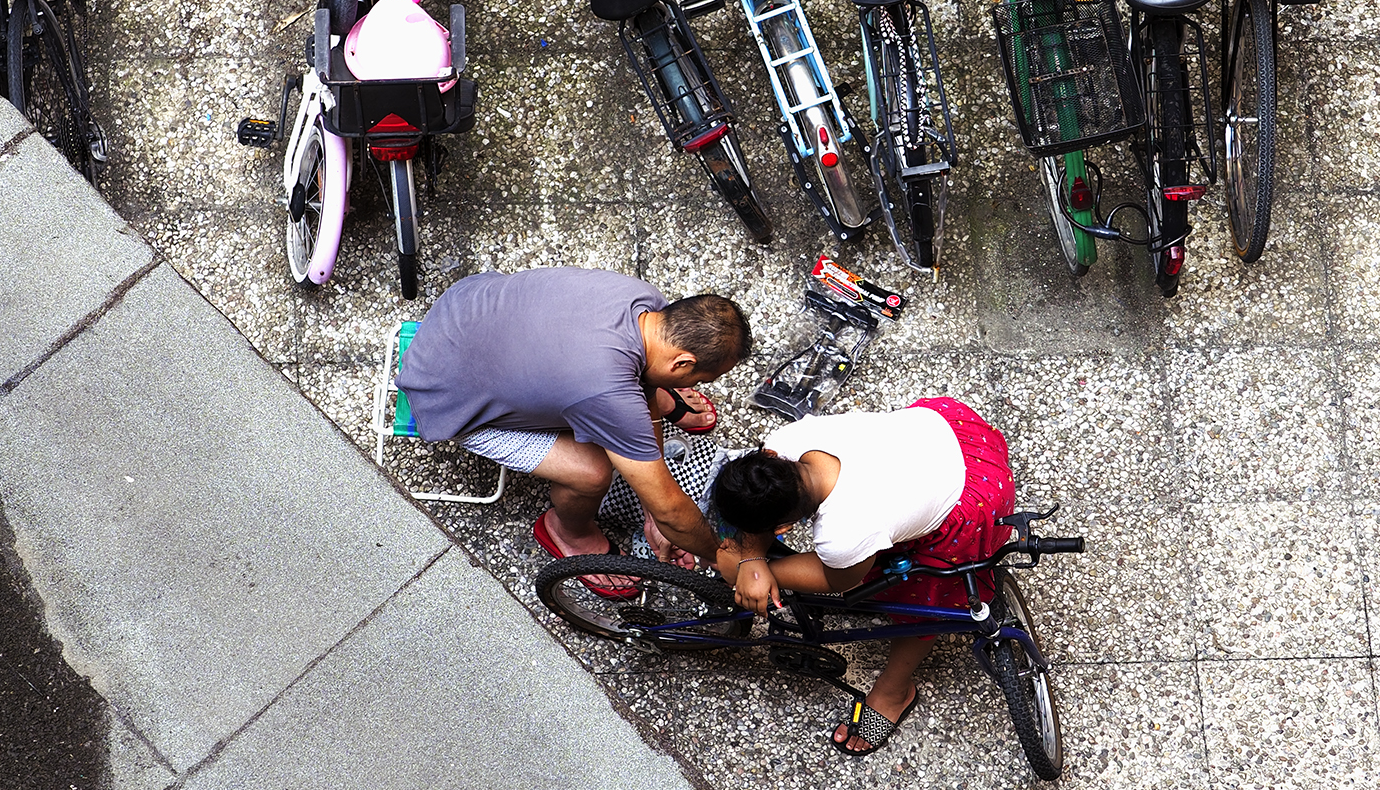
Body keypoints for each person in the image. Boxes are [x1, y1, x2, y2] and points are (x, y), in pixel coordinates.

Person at [396, 267, 751, 592]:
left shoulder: (646, 301)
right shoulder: (607, 389)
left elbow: (641, 396)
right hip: (443, 391)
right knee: (592, 472)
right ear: (683, 363)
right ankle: (568, 532)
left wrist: (651, 513)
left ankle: (652, 398)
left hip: (465, 307)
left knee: (633, 400)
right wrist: (721, 557)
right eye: (701, 377)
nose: (701, 382)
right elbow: (672, 510)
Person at [710, 397, 1015, 756]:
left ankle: (894, 692)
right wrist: (751, 557)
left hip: (974, 501)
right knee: (882, 534)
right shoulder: (791, 439)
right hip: (949, 434)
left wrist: (758, 569)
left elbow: (840, 579)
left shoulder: (843, 532)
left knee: (924, 599)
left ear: (786, 528)